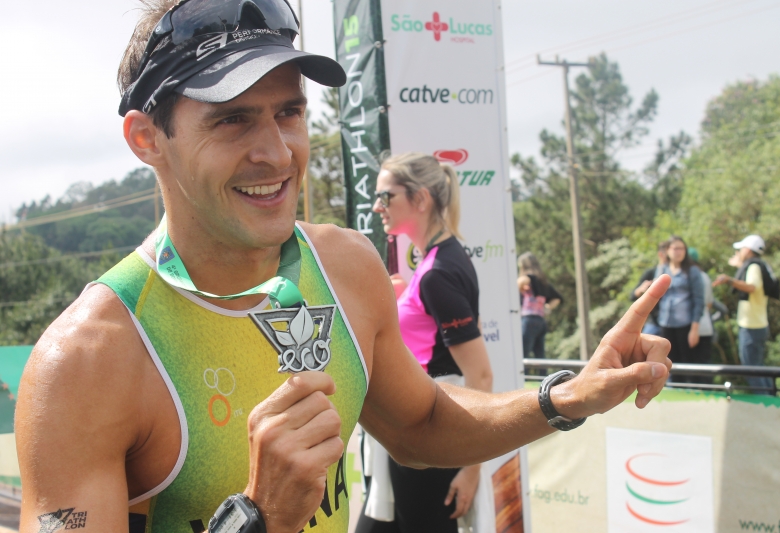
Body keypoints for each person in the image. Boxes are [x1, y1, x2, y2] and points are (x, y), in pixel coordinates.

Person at [15, 1, 674, 532]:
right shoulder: (86, 361)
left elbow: (419, 423)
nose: (277, 153)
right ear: (146, 138)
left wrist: (563, 397)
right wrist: (258, 518)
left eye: (289, 112)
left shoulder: (345, 265)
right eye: (233, 121)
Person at [356, 153, 494, 533]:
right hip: (416, 431)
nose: (377, 206)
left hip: (431, 436)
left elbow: (480, 376)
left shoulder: (438, 272)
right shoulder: (436, 262)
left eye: (385, 196)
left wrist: (471, 469)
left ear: (420, 199)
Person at [713, 235, 774, 394]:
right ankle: (771, 399)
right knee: (758, 367)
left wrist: (728, 280)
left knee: (751, 369)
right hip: (758, 324)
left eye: (740, 250)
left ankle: (764, 402)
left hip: (751, 326)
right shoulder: (760, 265)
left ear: (747, 250)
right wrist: (739, 265)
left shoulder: (753, 267)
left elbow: (751, 287)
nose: (739, 252)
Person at [655, 236, 704, 382]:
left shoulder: (692, 271)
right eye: (675, 248)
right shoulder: (663, 269)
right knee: (670, 362)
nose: (679, 252)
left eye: (682, 248)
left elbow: (699, 301)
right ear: (667, 250)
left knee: (687, 362)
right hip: (665, 322)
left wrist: (694, 329)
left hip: (685, 324)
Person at [517, 253, 562, 359]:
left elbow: (518, 283)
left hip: (528, 320)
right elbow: (557, 298)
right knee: (540, 357)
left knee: (523, 356)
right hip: (540, 321)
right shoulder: (543, 282)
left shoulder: (528, 279)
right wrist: (547, 307)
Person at [630, 241, 670, 336]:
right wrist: (641, 290)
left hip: (672, 322)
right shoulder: (651, 273)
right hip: (654, 321)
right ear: (661, 254)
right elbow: (632, 295)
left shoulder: (677, 273)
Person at [687, 247, 714, 383]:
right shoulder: (705, 276)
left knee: (690, 370)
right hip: (706, 326)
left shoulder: (689, 276)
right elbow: (709, 303)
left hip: (691, 328)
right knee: (704, 367)